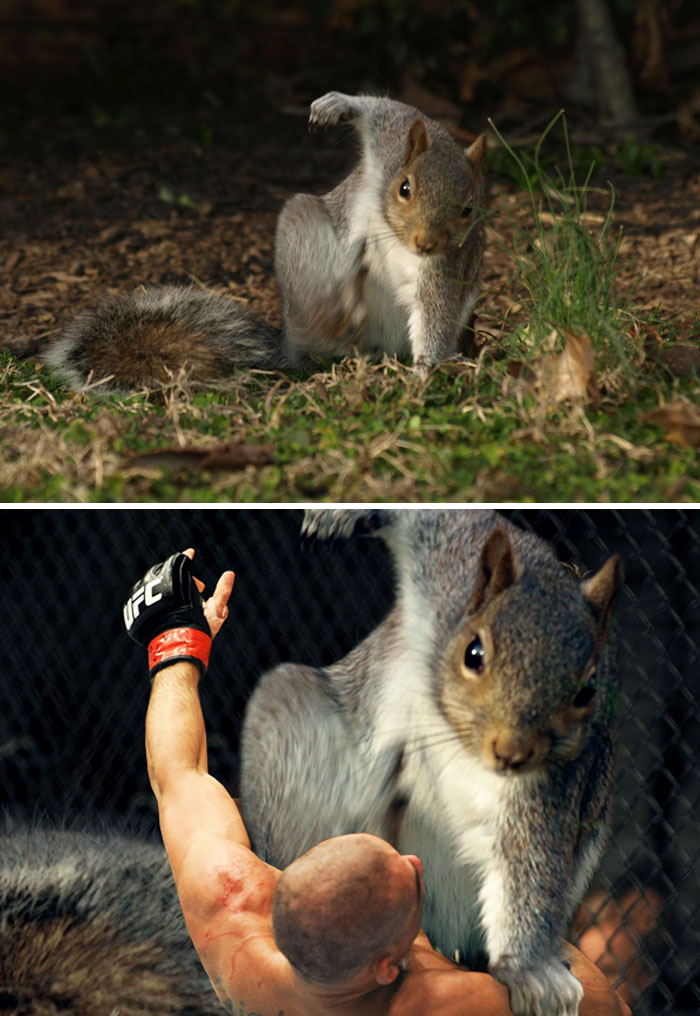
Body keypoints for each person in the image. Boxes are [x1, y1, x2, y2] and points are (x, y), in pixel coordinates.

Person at [129, 549, 631, 1016]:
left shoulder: (235, 915)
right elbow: (605, 1007)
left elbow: (177, 775)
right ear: (390, 965)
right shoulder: (444, 1000)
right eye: (411, 879)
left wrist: (175, 638)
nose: (413, 860)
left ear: (283, 893)